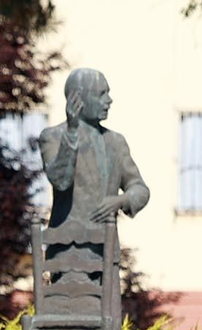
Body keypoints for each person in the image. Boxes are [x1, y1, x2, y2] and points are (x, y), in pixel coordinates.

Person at [37, 67, 150, 229]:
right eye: (101, 94)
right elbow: (60, 181)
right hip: (66, 245)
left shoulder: (116, 142)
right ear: (77, 99)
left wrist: (121, 200)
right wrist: (71, 132)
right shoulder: (53, 136)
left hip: (107, 245)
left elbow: (139, 188)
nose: (109, 100)